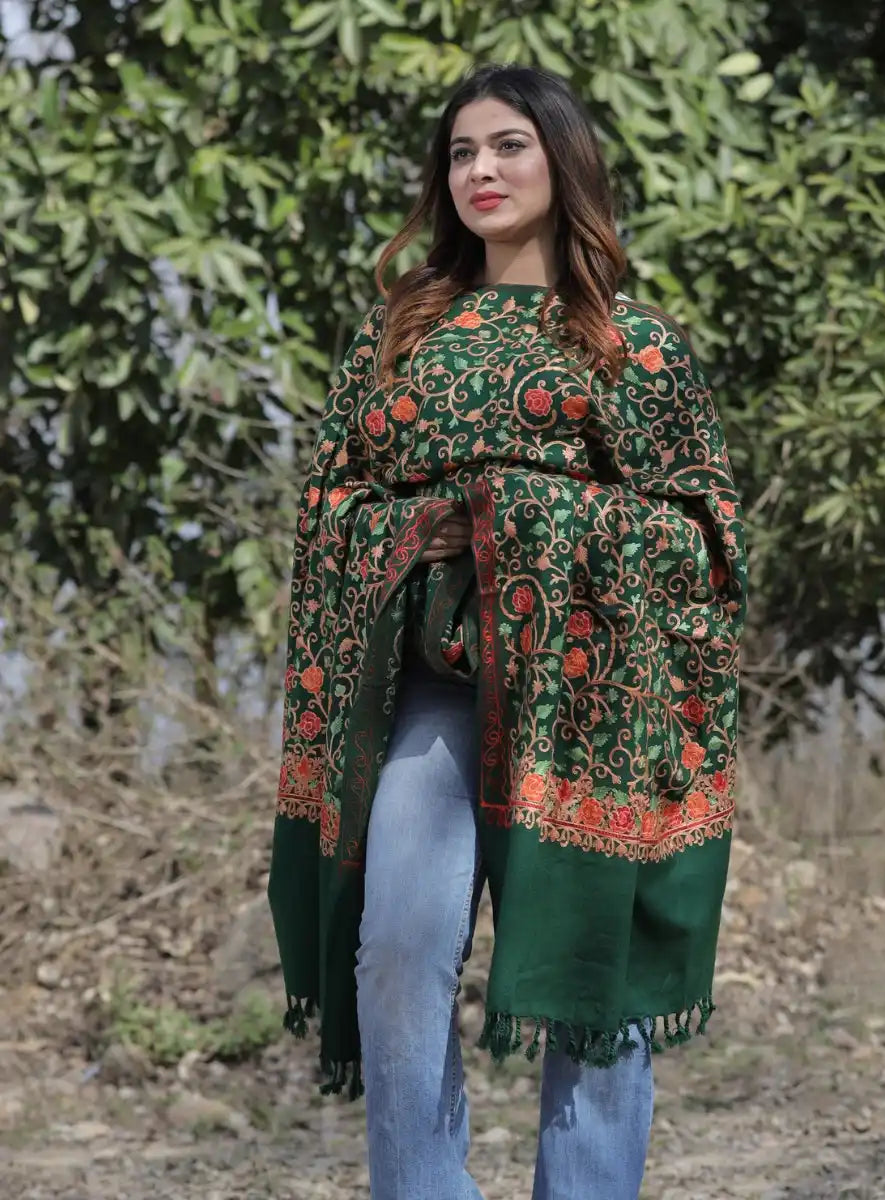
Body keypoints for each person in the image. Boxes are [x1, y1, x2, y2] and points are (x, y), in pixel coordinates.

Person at [267, 62, 749, 1200]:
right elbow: (330, 504)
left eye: (508, 148)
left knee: (592, 973)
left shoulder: (634, 347)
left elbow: (701, 533)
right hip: (432, 692)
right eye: (460, 153)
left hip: (594, 715)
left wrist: (512, 514)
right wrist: (417, 528)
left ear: (562, 161)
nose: (479, 171)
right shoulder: (400, 340)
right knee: (396, 948)